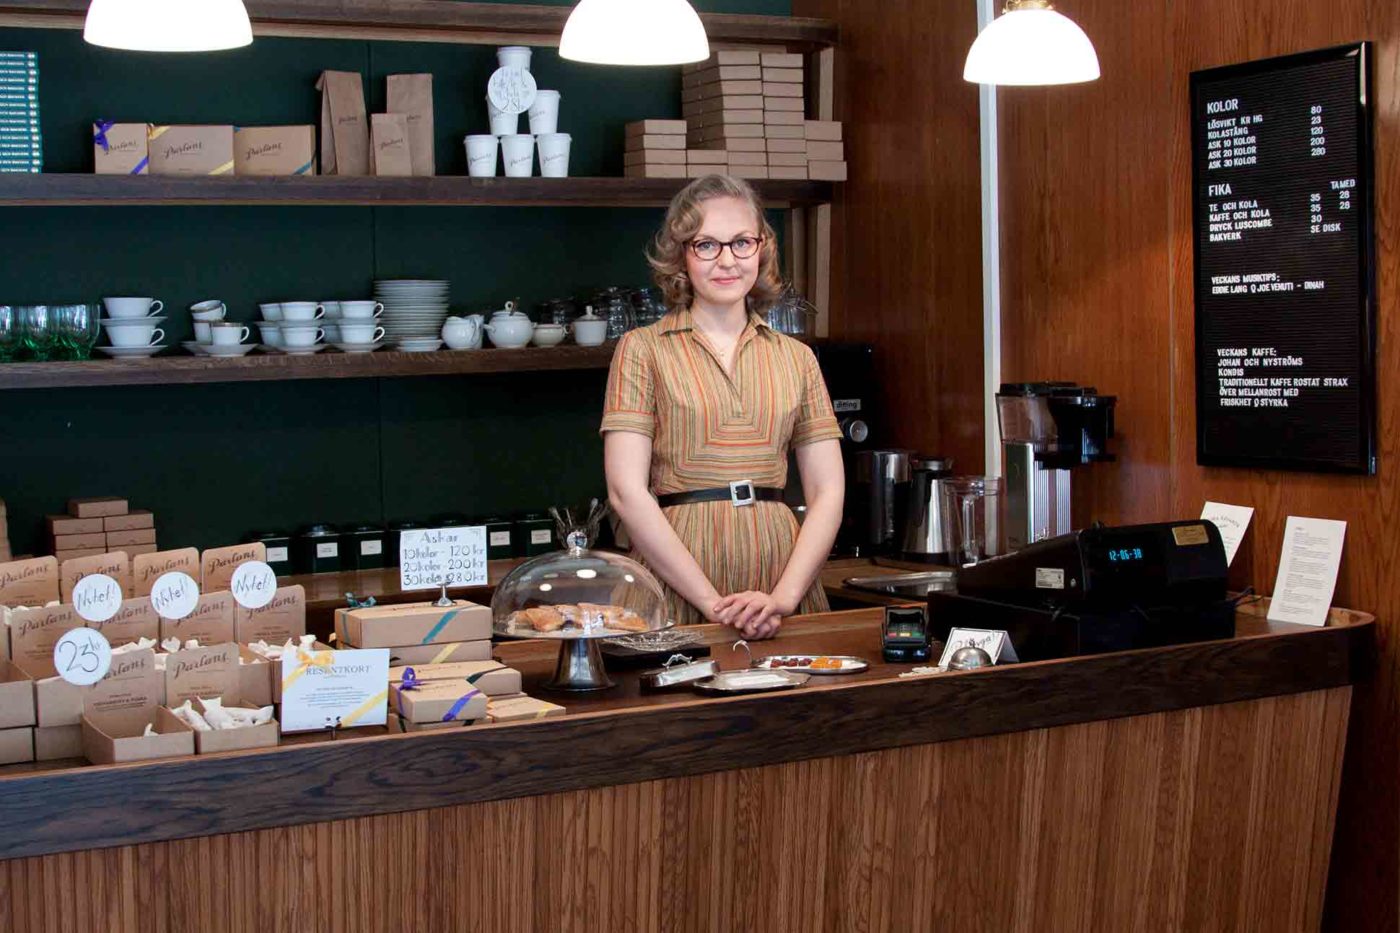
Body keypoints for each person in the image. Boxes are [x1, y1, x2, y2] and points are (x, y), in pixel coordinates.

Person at [601, 174, 844, 639]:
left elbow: (828, 492)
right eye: (706, 245)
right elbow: (625, 492)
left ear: (762, 248)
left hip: (782, 582)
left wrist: (783, 598)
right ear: (680, 255)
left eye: (741, 242)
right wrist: (712, 603)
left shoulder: (797, 358)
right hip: (678, 584)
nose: (727, 260)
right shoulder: (643, 349)